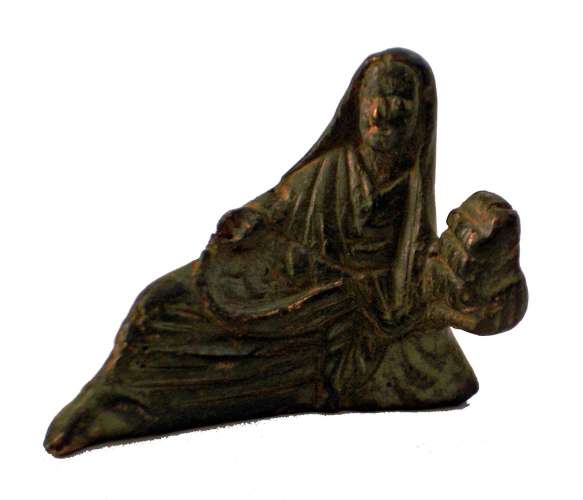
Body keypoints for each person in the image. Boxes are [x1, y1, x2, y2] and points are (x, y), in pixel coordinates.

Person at [44, 48, 527, 457]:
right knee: (162, 302)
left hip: (361, 320)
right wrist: (248, 220)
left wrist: (487, 264)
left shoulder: (413, 203)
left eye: (401, 98)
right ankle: (112, 397)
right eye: (376, 97)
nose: (385, 112)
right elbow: (277, 206)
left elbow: (451, 293)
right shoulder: (329, 171)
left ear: (420, 115)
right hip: (295, 287)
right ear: (357, 107)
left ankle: (134, 403)